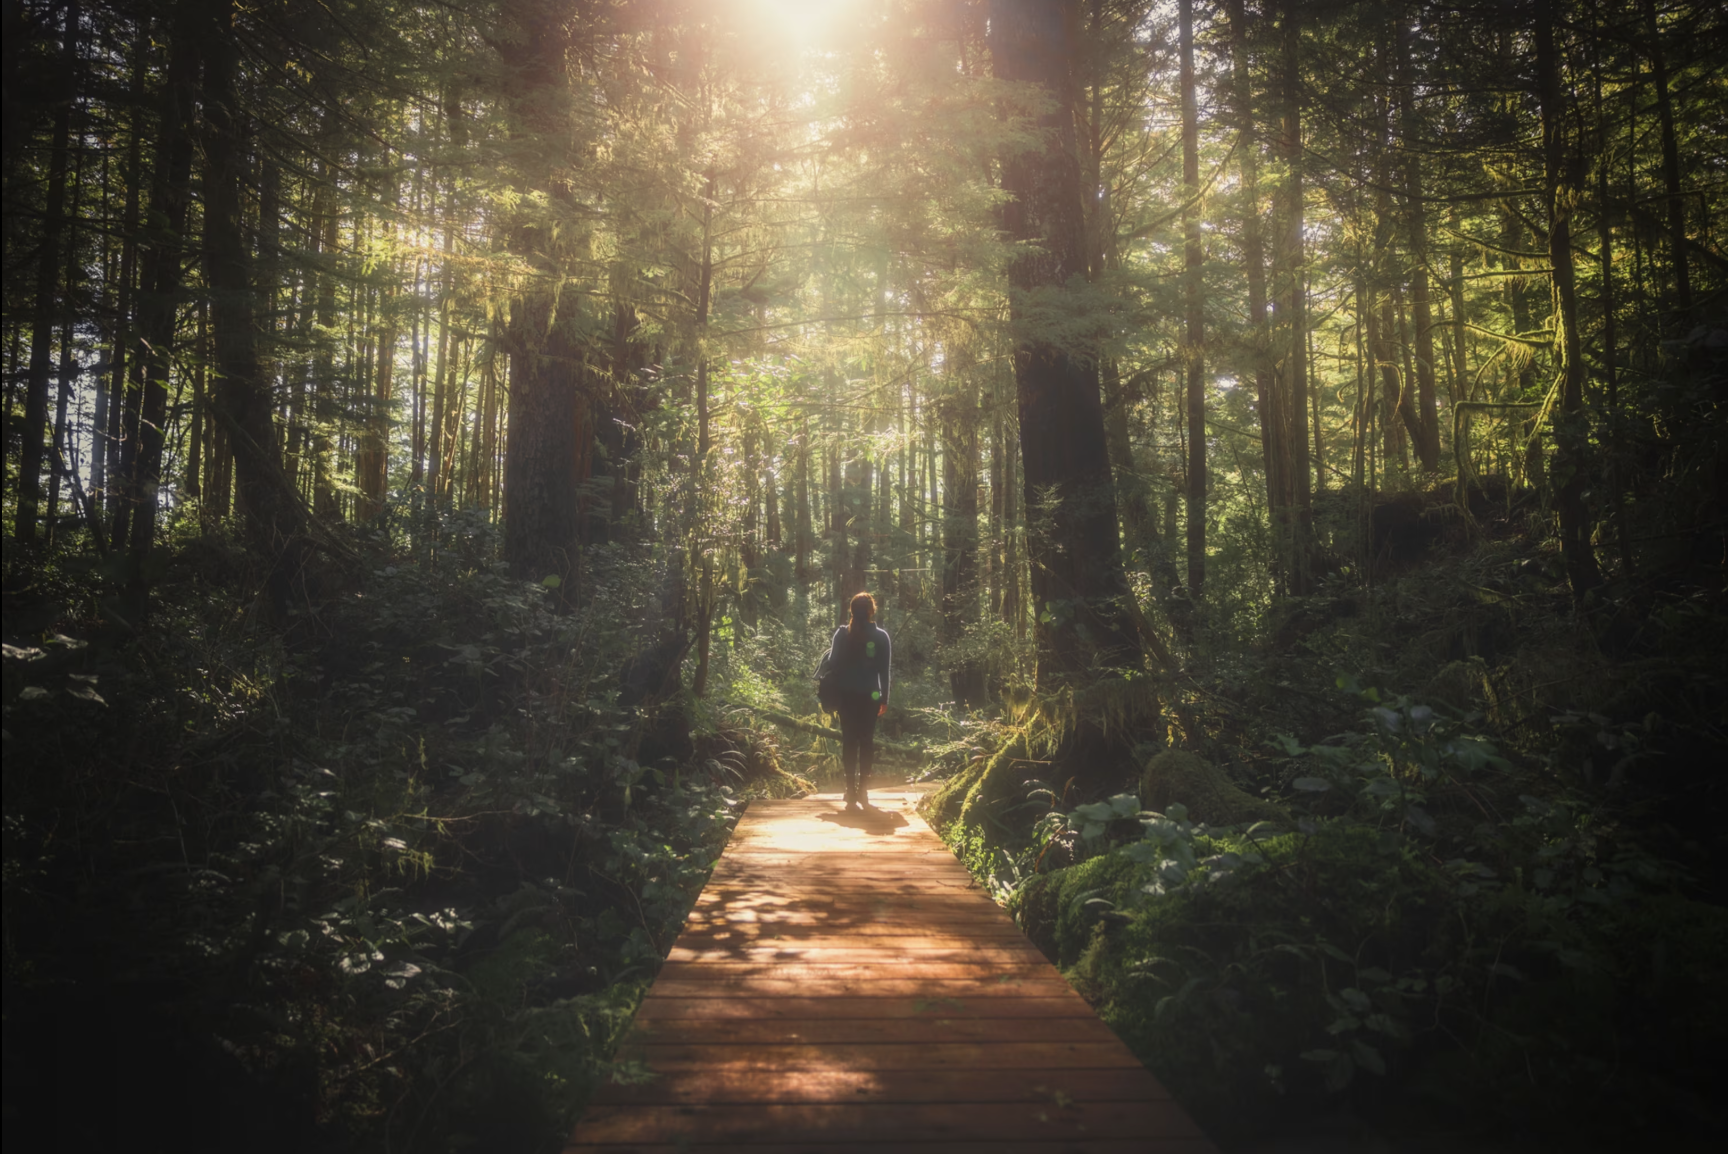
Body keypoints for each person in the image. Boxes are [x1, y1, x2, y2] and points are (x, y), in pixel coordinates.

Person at [827, 591, 890, 809]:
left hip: (846, 697)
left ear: (852, 611)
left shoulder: (842, 634)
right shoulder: (881, 636)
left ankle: (850, 790)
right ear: (872, 611)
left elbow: (832, 663)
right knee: (866, 741)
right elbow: (885, 672)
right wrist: (885, 699)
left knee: (849, 741)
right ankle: (862, 790)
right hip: (870, 697)